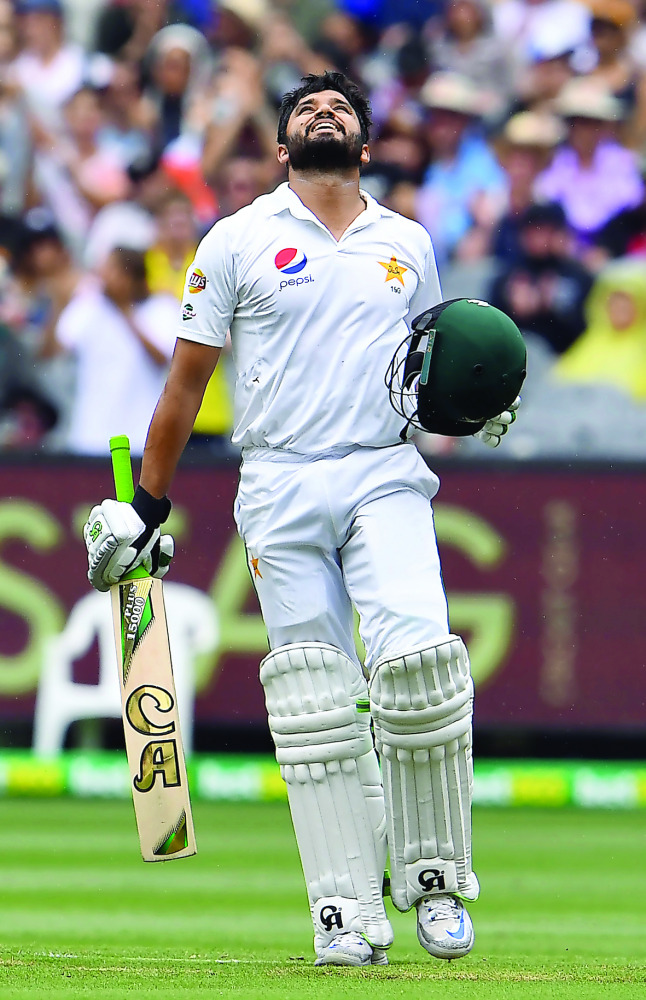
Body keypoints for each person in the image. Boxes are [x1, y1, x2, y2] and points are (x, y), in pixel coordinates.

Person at [83, 71, 519, 967]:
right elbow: (186, 382)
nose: (324, 114)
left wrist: (474, 400)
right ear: (283, 147)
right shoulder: (237, 240)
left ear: (363, 146)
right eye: (306, 110)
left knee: (419, 666)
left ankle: (433, 882)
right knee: (316, 699)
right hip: (278, 481)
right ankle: (347, 910)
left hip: (384, 472)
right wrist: (146, 504)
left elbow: (440, 359)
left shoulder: (406, 241)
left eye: (341, 110)